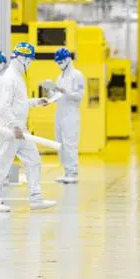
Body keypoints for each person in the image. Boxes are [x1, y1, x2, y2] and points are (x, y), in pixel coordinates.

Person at [0, 42, 55, 212]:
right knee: (2, 164)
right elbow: (2, 107)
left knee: (34, 160)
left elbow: (18, 104)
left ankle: (35, 197)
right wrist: (14, 126)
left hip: (19, 129)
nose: (31, 63)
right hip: (10, 129)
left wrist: (36, 102)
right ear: (22, 58)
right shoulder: (9, 78)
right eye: (30, 60)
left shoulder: (17, 76)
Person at [50, 47, 85, 184]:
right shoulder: (60, 77)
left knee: (70, 143)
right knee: (60, 143)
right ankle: (66, 171)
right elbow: (58, 95)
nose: (59, 64)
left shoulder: (77, 75)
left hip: (71, 113)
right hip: (60, 112)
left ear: (68, 60)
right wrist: (51, 97)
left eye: (61, 62)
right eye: (57, 62)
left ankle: (73, 172)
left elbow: (79, 96)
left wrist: (66, 91)